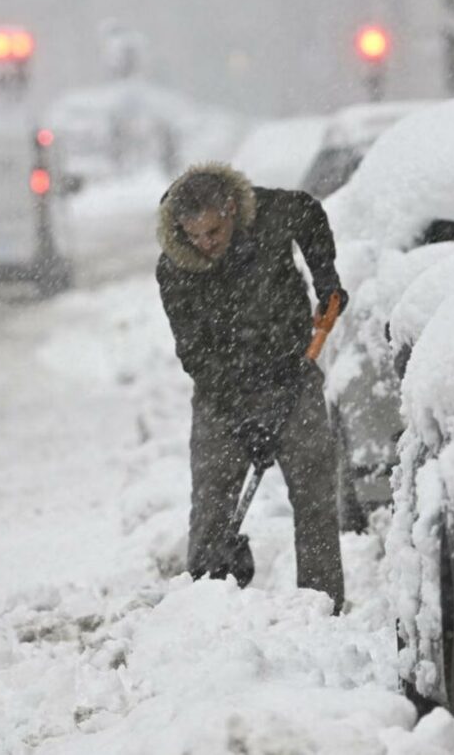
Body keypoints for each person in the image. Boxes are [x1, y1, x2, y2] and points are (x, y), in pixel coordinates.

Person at [156, 162, 348, 613]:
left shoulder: (269, 211)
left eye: (215, 232)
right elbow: (195, 354)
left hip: (293, 375)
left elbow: (309, 213)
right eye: (195, 235)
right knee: (211, 502)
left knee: (315, 496)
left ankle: (321, 607)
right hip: (221, 395)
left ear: (231, 210)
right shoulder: (176, 269)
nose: (207, 245)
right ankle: (206, 603)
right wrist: (246, 423)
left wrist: (326, 277)